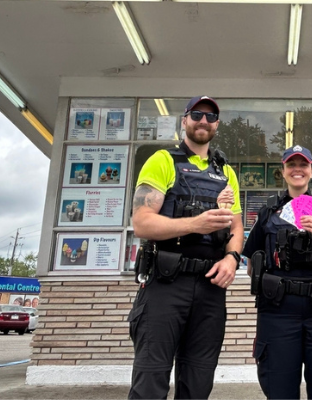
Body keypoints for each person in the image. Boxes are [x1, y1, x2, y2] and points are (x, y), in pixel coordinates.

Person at [127, 96, 244, 399]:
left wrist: (232, 259)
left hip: (210, 288)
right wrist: (194, 225)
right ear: (184, 120)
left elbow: (236, 226)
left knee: (198, 382)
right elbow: (141, 222)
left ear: (217, 125)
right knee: (150, 381)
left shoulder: (225, 172)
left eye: (211, 117)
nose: (203, 121)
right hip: (166, 283)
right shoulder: (163, 161)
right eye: (197, 114)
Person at [242, 145, 312, 399]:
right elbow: (252, 264)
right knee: (279, 388)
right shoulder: (268, 212)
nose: (297, 170)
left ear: (311, 171)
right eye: (291, 165)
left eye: (303, 165)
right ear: (282, 171)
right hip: (278, 311)